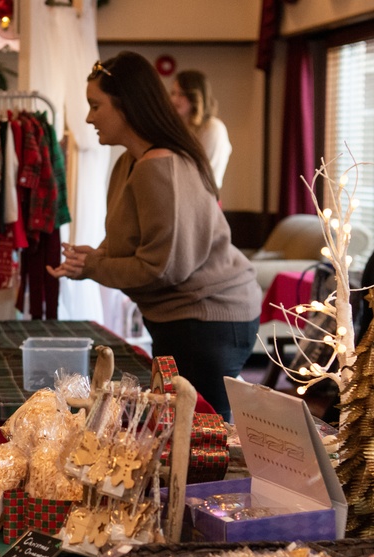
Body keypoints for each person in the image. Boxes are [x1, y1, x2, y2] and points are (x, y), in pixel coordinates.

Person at [48, 52, 260, 421]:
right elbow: (129, 244)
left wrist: (95, 265)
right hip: (189, 319)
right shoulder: (131, 161)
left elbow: (162, 268)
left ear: (126, 107)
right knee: (182, 433)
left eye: (96, 106)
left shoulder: (157, 166)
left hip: (206, 322)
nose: (88, 117)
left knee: (198, 437)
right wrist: (91, 259)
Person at [170, 69, 232, 190]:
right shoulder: (178, 128)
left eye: (181, 94)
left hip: (202, 201)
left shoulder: (213, 128)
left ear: (195, 96)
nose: (174, 100)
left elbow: (202, 173)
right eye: (173, 93)